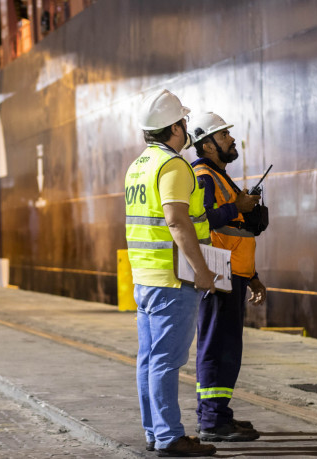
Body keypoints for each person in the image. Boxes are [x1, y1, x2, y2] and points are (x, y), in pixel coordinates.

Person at [125, 89, 217, 457]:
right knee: (165, 362)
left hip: (145, 279)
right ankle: (169, 438)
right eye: (183, 121)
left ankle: (154, 431)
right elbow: (177, 221)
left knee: (148, 360)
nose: (186, 127)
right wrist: (203, 271)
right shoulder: (172, 166)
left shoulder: (138, 165)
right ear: (175, 128)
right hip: (172, 281)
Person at [190, 112, 266, 442]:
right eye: (223, 136)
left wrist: (252, 278)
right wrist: (239, 206)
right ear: (207, 145)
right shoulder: (204, 176)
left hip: (231, 273)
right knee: (217, 346)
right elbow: (203, 221)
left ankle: (217, 414)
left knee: (225, 347)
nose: (231, 140)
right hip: (218, 274)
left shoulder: (219, 176)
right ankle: (212, 420)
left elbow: (234, 233)